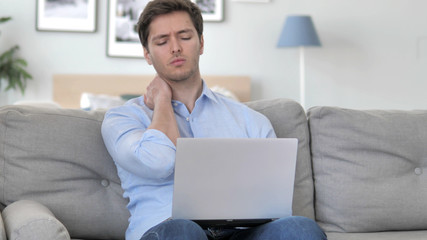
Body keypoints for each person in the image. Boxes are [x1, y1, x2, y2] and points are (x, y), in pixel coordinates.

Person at [101, 0, 327, 239]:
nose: (175, 48)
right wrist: (162, 102)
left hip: (240, 234)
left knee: (300, 228)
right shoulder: (122, 119)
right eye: (162, 41)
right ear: (147, 54)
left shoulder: (251, 121)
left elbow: (273, 206)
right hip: (169, 231)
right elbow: (161, 161)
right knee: (182, 228)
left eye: (184, 37)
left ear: (201, 43)